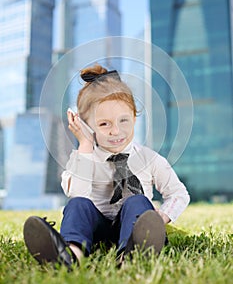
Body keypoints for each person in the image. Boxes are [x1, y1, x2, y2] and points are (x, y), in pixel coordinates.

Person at [23, 63, 190, 268]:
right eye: (104, 124)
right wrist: (85, 146)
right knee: (77, 205)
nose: (116, 131)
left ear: (135, 118)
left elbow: (178, 193)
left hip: (133, 225)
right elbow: (79, 194)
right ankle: (71, 254)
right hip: (97, 226)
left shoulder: (149, 159)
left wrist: (161, 217)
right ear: (86, 126)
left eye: (124, 120)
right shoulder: (82, 159)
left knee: (137, 202)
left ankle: (131, 255)